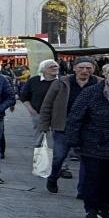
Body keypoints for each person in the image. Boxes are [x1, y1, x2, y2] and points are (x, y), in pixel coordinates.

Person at [66, 61, 109, 218]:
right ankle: (91, 210)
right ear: (106, 75)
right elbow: (75, 116)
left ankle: (104, 208)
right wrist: (73, 140)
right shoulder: (92, 92)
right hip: (94, 144)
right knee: (93, 179)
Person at [39, 57, 98, 193]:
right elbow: (47, 104)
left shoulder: (99, 83)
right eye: (81, 67)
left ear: (94, 69)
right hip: (64, 126)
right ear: (75, 68)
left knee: (87, 160)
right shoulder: (61, 83)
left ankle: (83, 189)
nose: (85, 71)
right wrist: (44, 125)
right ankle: (53, 178)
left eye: (88, 68)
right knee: (59, 156)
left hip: (89, 129)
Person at [19, 60, 60, 146]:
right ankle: (39, 152)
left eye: (56, 66)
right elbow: (24, 97)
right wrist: (32, 112)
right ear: (43, 69)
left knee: (58, 139)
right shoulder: (34, 81)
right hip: (39, 114)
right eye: (51, 66)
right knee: (39, 139)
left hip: (59, 116)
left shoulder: (63, 81)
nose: (55, 68)